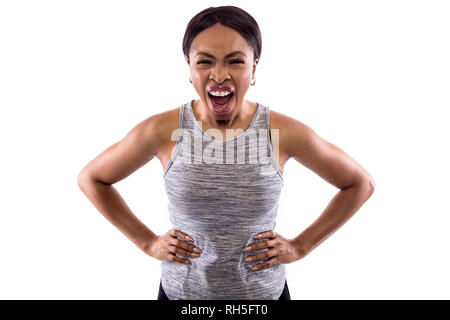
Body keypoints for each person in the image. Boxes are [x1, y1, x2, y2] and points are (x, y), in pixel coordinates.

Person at [78, 6, 375, 300]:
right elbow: (92, 178)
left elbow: (359, 183)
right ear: (189, 67)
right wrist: (147, 243)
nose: (219, 76)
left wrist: (301, 246)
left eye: (235, 61)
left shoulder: (284, 132)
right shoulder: (161, 130)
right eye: (205, 62)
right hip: (182, 298)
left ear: (254, 67)